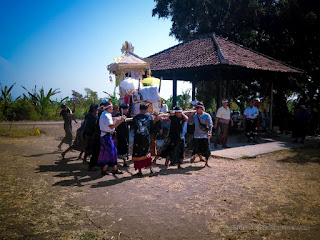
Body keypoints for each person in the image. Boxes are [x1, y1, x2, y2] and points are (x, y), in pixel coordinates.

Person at [98, 101, 126, 175]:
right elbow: (111, 126)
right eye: (111, 107)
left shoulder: (105, 114)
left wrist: (118, 119)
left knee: (113, 152)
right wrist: (121, 121)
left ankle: (114, 169)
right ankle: (104, 170)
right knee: (111, 153)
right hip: (106, 136)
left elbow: (111, 122)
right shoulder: (106, 115)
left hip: (105, 135)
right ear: (109, 108)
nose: (112, 108)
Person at [132, 104, 155, 177]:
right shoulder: (149, 117)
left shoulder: (135, 118)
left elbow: (133, 128)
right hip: (146, 138)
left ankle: (140, 171)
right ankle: (151, 169)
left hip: (137, 139)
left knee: (138, 154)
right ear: (146, 109)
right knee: (147, 153)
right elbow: (152, 128)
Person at [191, 102, 213, 167]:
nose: (196, 109)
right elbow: (190, 123)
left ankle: (207, 162)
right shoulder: (194, 116)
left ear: (201, 108)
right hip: (196, 135)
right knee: (196, 148)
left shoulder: (207, 115)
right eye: (196, 108)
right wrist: (190, 115)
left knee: (206, 149)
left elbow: (210, 125)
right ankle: (195, 157)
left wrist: (210, 133)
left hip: (205, 135)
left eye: (197, 108)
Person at [83, 103, 100, 171]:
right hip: (90, 134)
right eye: (96, 109)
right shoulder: (91, 116)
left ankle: (88, 161)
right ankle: (92, 165)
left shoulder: (88, 115)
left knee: (90, 148)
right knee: (94, 150)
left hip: (89, 134)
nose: (97, 110)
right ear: (94, 109)